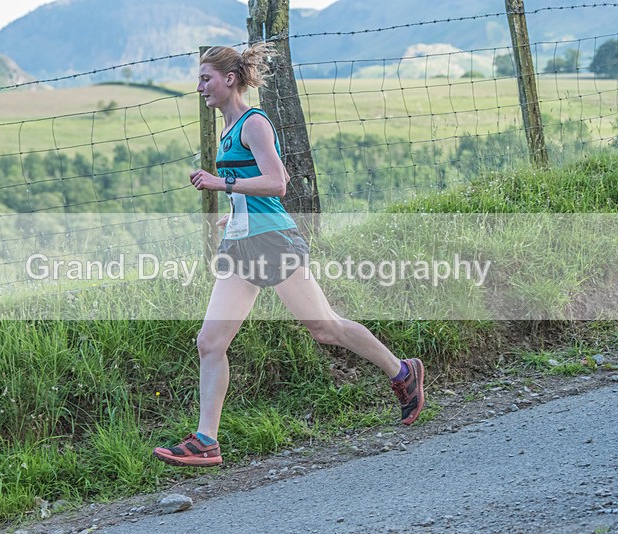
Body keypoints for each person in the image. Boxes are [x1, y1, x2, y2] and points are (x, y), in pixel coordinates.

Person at [152, 43, 425, 467]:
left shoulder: (253, 122)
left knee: (324, 327)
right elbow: (250, 187)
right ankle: (207, 440)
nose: (199, 86)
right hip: (241, 244)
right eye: (199, 78)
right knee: (210, 341)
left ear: (229, 79)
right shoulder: (227, 130)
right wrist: (234, 212)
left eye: (206, 78)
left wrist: (221, 186)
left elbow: (278, 183)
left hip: (274, 240)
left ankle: (403, 372)